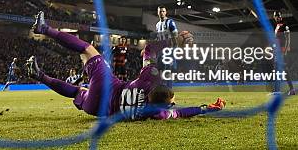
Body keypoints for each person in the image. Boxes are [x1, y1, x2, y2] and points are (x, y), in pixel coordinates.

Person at [28, 11, 225, 120]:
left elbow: (148, 50)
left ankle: (44, 29)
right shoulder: (159, 113)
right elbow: (183, 113)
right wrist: (206, 108)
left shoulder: (149, 77)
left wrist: (175, 42)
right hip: (98, 110)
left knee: (88, 50)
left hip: (108, 87)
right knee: (76, 91)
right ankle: (40, 76)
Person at [273, 11, 295, 95]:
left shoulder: (284, 25)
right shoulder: (277, 26)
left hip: (281, 50)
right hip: (278, 50)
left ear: (280, 16)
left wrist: (285, 51)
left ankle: (279, 90)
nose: (277, 18)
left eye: (278, 16)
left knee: (282, 70)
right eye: (275, 16)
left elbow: (288, 39)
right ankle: (290, 89)